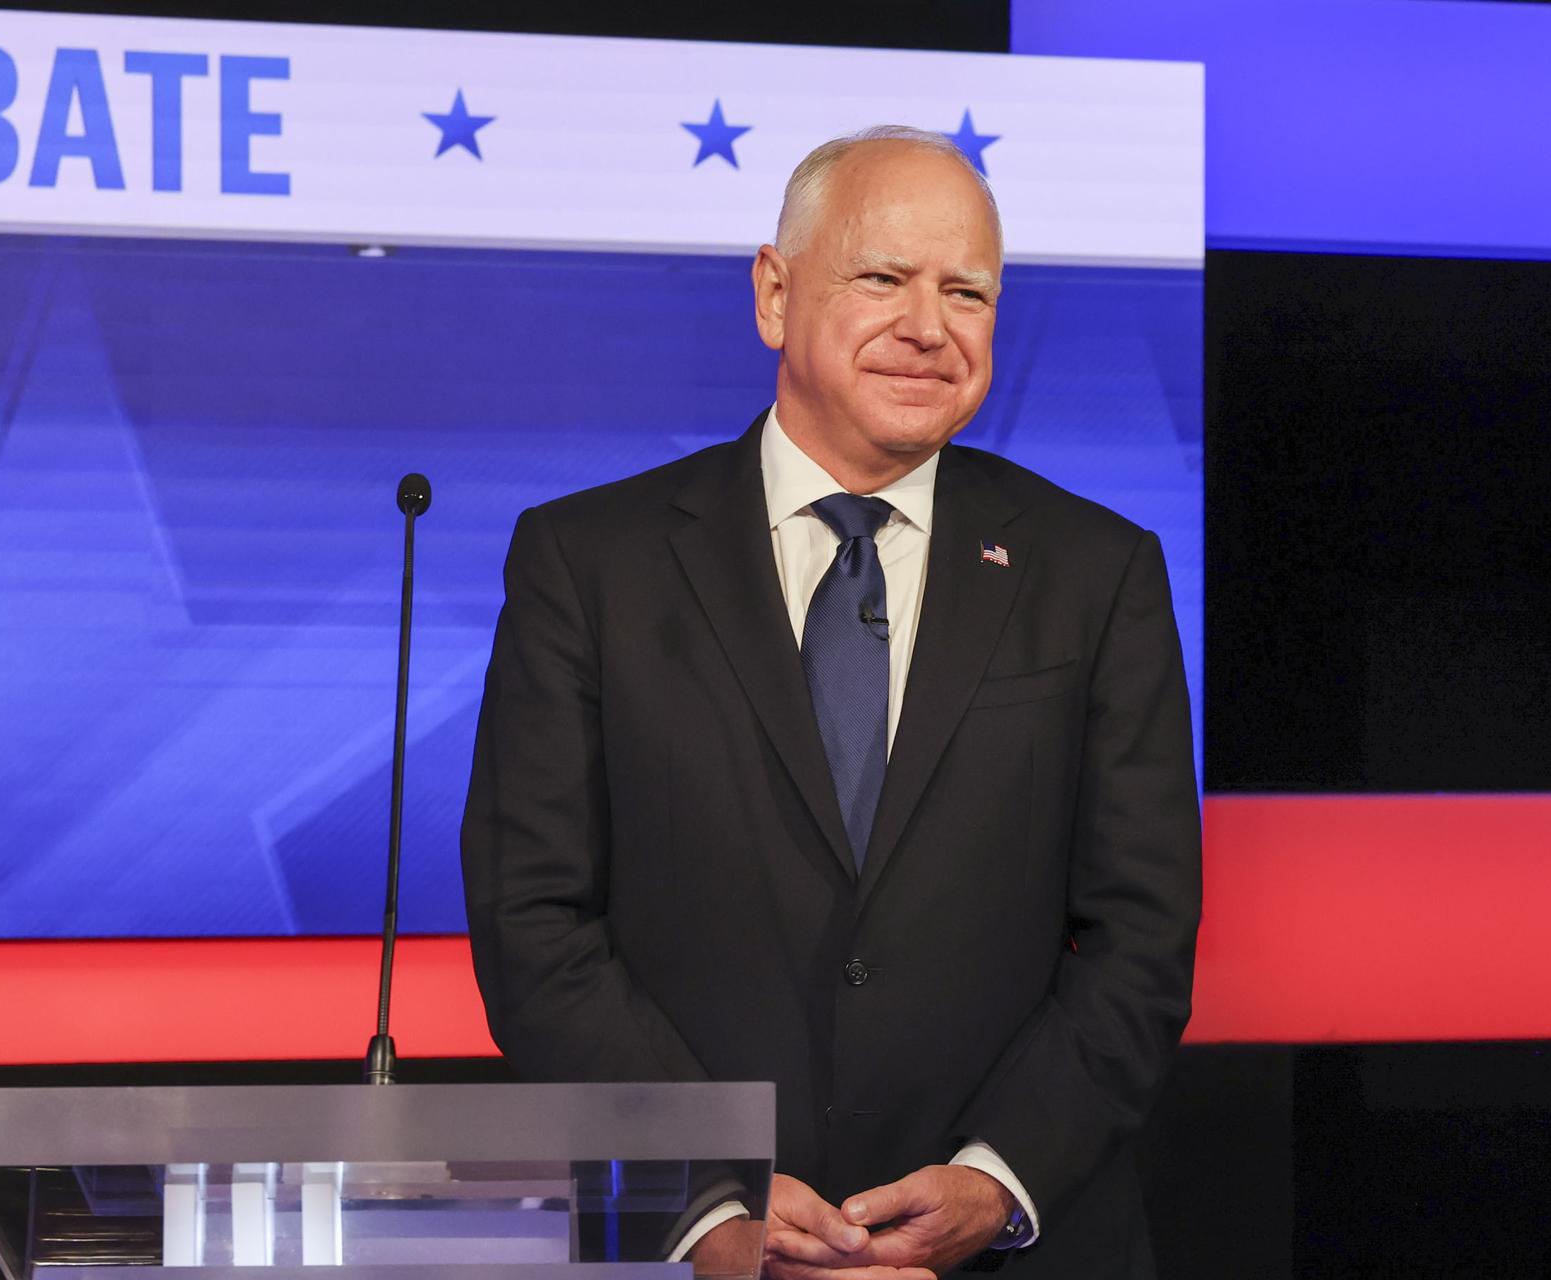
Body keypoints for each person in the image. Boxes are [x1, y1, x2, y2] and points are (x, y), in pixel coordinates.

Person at [461, 125, 1200, 1278]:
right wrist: (703, 1192)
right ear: (774, 292)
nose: (928, 324)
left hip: (1011, 1249)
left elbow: (1141, 931)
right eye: (882, 277)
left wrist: (996, 1179)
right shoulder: (586, 561)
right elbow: (534, 919)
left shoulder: (1098, 571)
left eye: (968, 291)